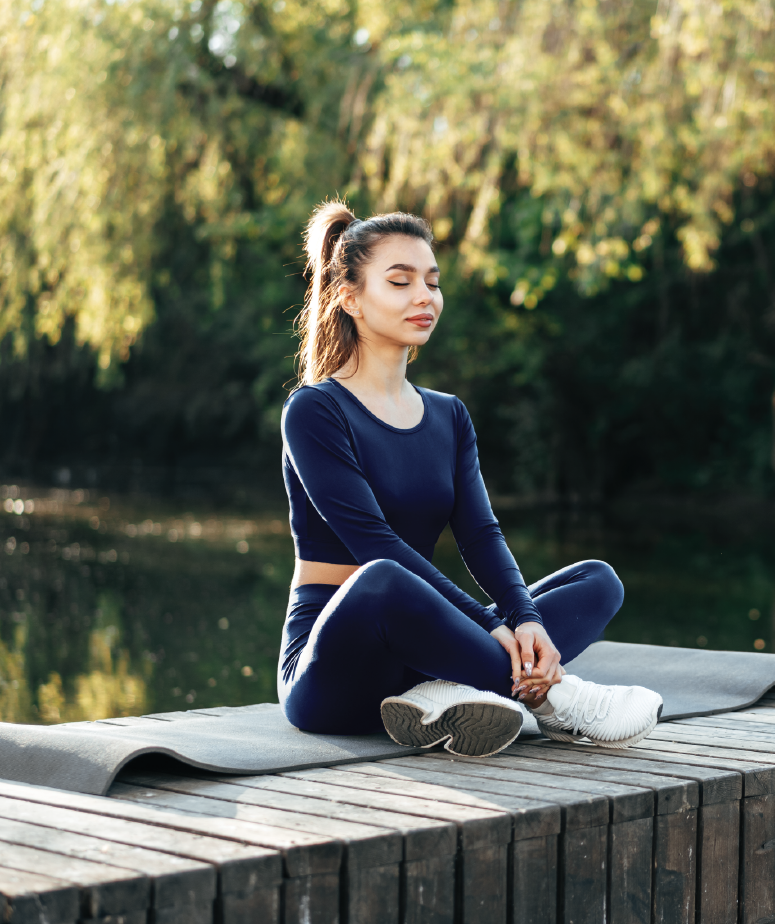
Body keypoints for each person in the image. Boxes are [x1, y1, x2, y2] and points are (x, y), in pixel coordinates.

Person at [277, 201, 663, 757]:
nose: (424, 297)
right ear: (350, 298)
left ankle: (446, 688)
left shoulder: (448, 415)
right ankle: (559, 701)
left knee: (598, 581)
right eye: (400, 281)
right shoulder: (315, 410)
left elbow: (480, 535)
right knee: (383, 576)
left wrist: (523, 617)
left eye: (432, 283)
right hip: (335, 667)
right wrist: (490, 624)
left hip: (423, 649)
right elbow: (372, 543)